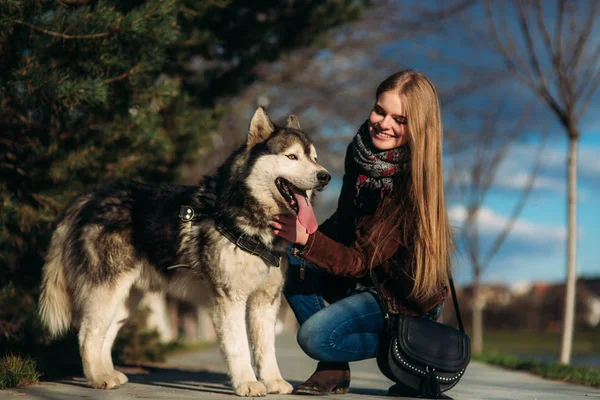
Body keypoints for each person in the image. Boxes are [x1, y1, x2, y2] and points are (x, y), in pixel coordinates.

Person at [271, 69, 453, 396]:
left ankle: (409, 348)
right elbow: (345, 219)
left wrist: (306, 240)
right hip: (368, 279)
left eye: (401, 119)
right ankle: (334, 368)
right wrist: (307, 235)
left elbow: (359, 260)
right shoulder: (362, 154)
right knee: (293, 260)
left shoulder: (409, 186)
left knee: (315, 337)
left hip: (401, 300)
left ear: (419, 128)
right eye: (380, 111)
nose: (384, 123)